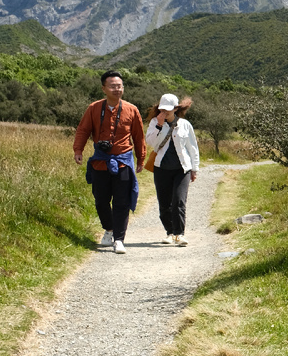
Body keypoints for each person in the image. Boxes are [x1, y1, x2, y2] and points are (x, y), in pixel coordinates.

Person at [74, 71, 145, 254]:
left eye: (119, 86)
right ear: (103, 88)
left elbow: (138, 137)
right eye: (113, 86)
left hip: (123, 160)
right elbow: (83, 130)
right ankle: (109, 229)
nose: (117, 89)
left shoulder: (132, 109)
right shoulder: (94, 108)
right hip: (100, 161)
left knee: (121, 201)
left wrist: (141, 158)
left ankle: (119, 239)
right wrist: (78, 150)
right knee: (101, 200)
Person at [145, 93, 200, 246]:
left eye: (169, 109)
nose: (166, 112)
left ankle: (179, 234)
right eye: (163, 109)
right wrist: (159, 126)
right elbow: (151, 142)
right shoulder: (155, 123)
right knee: (164, 203)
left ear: (176, 109)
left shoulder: (185, 124)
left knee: (179, 200)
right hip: (161, 168)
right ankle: (169, 233)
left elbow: (193, 148)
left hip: (182, 169)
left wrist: (194, 169)